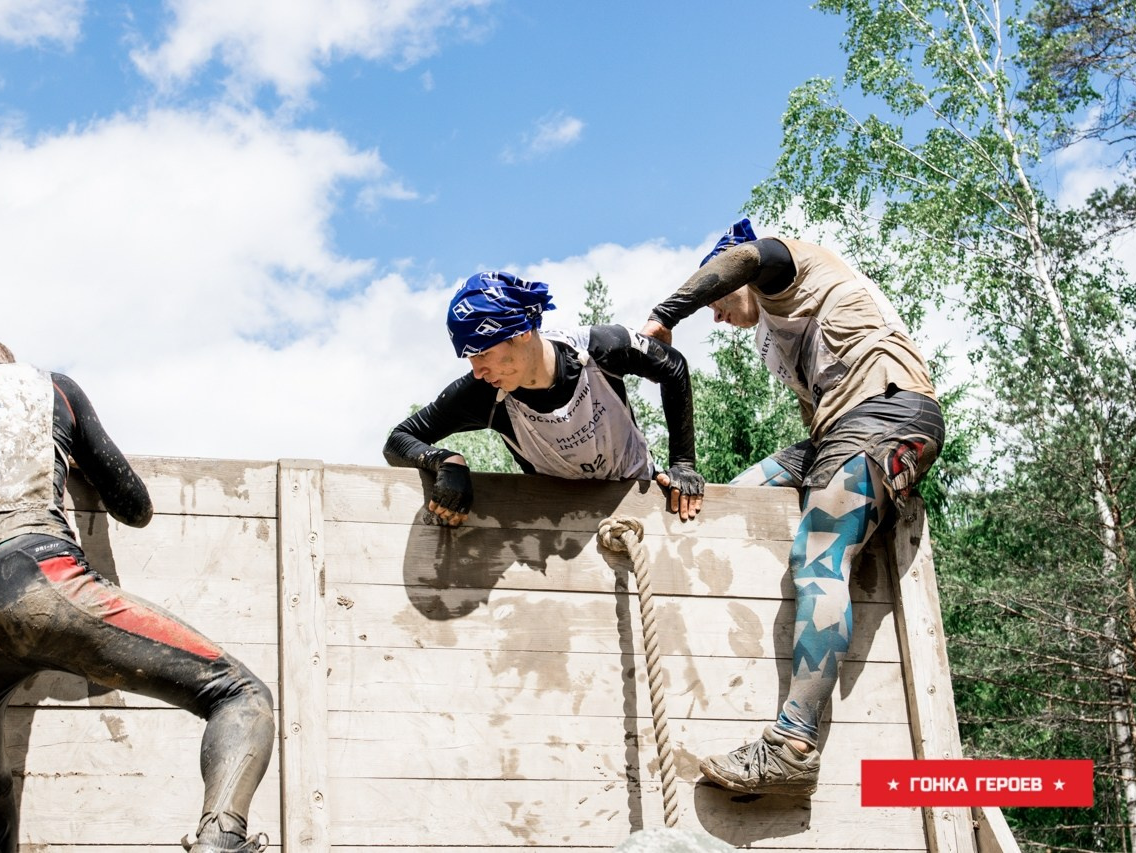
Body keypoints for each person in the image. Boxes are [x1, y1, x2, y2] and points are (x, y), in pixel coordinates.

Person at [0, 337, 275, 853]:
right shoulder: (48, 387)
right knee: (239, 694)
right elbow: (133, 507)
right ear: (3, 364)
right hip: (40, 581)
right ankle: (221, 840)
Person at [641, 219, 945, 796]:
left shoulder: (789, 267)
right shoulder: (779, 331)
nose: (716, 314)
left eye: (716, 299)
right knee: (738, 496)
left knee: (820, 557)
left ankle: (792, 745)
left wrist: (667, 314)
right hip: (842, 433)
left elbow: (747, 261)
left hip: (887, 415)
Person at [384, 270, 705, 525]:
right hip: (558, 521)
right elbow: (399, 439)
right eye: (469, 359)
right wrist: (446, 462)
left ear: (520, 333)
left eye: (482, 354)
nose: (478, 371)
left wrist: (683, 464)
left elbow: (673, 366)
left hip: (637, 495)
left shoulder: (602, 347)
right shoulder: (483, 393)